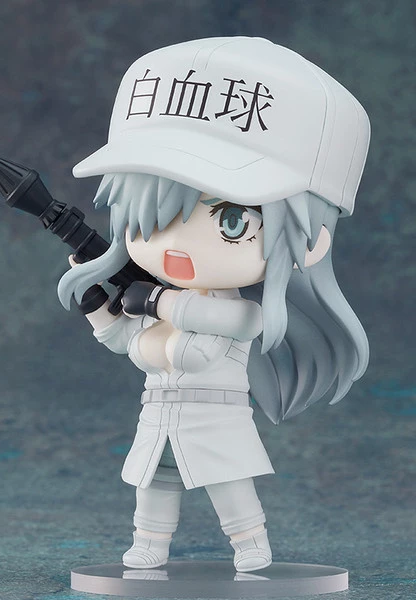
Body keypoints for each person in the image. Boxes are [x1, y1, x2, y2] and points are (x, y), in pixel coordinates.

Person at [57, 37, 370, 572]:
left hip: (217, 413)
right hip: (160, 410)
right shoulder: (155, 300)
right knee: (154, 482)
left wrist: (158, 300)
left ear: (312, 241)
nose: (175, 245)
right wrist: (100, 311)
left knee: (230, 482)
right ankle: (150, 544)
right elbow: (128, 340)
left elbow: (226, 325)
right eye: (152, 218)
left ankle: (250, 543)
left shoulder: (239, 311)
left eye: (231, 221)